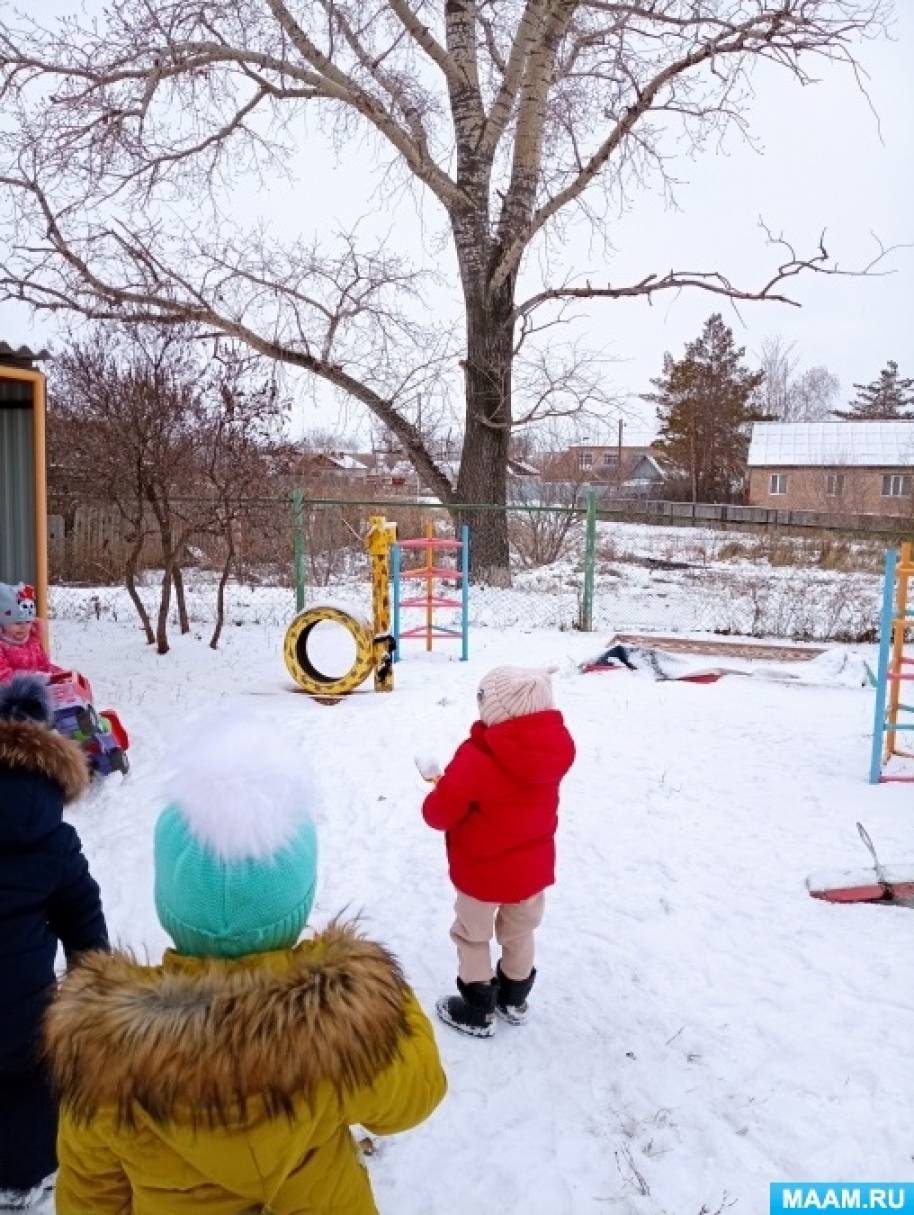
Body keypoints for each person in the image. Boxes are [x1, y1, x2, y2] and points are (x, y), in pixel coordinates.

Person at [44, 720, 447, 1215]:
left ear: (169, 904)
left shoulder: (103, 1051)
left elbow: (89, 1193)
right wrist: (386, 1003)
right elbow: (415, 1098)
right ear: (298, 904)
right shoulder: (343, 1025)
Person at [0, 676, 107, 1211]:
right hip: (22, 1006)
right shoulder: (52, 836)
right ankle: (23, 1176)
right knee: (27, 1080)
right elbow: (82, 916)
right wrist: (94, 982)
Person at [422, 665, 576, 1038]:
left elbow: (439, 813)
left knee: (473, 935)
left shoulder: (477, 758)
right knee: (520, 932)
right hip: (531, 870)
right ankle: (514, 998)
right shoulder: (551, 754)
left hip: (481, 871)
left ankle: (478, 1008)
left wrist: (439, 787)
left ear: (499, 710)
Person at [0, 584, 61, 686]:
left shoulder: (33, 642)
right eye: (17, 623)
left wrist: (59, 674)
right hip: (9, 698)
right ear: (3, 623)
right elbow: (3, 676)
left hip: (36, 693)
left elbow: (44, 667)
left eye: (28, 622)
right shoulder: (2, 647)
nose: (23, 627)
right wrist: (35, 678)